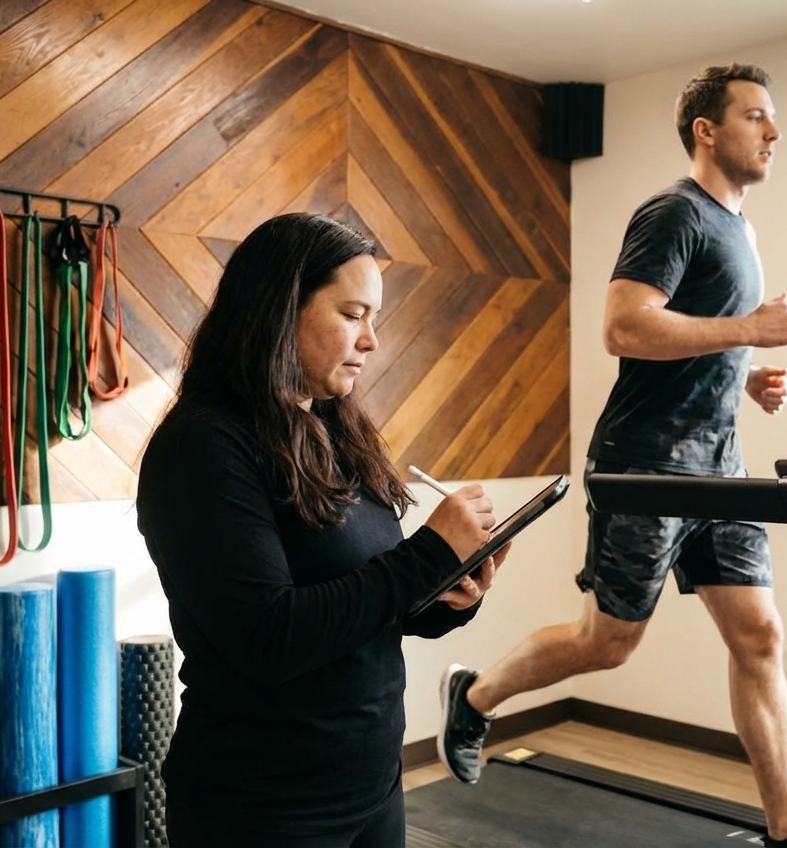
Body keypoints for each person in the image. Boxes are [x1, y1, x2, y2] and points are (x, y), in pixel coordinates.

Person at [437, 64, 787, 848]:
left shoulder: (739, 227)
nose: (774, 132)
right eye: (756, 117)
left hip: (719, 465)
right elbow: (625, 328)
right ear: (707, 131)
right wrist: (749, 332)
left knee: (760, 636)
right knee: (608, 643)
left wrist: (743, 377)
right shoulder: (673, 213)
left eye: (773, 119)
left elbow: (687, 333)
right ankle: (475, 697)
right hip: (645, 466)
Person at [137, 212, 509, 847]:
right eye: (352, 314)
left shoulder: (336, 430)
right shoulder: (202, 446)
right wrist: (427, 555)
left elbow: (371, 605)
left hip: (371, 785)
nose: (371, 341)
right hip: (263, 805)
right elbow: (269, 636)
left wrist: (450, 592)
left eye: (374, 318)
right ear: (281, 311)